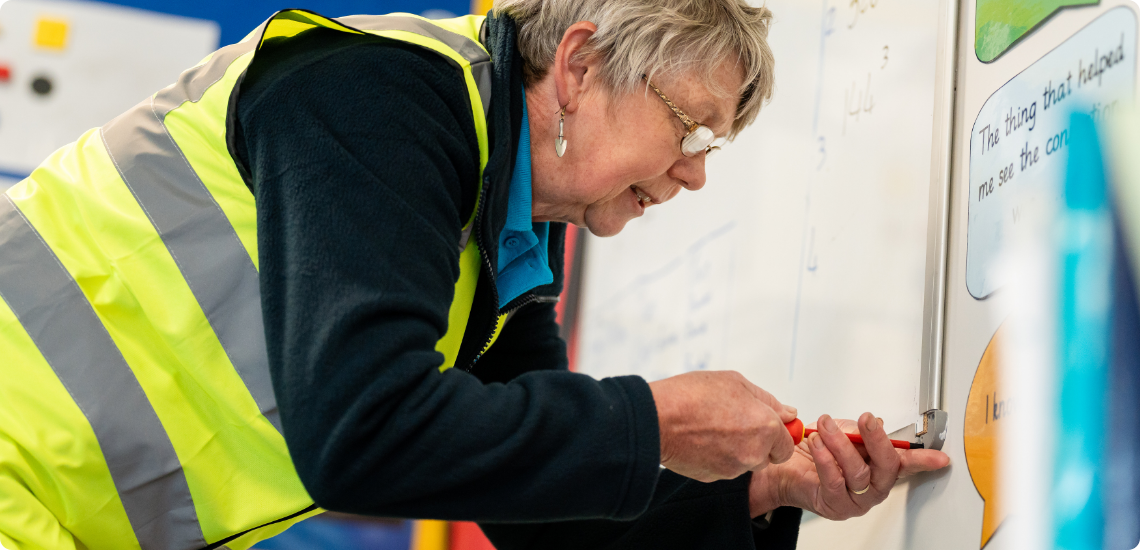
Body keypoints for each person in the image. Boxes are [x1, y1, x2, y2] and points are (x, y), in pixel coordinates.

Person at [0, 1, 950, 549]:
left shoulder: (506, 235)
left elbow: (552, 521)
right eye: (690, 127)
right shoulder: (376, 98)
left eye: (717, 146)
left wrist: (769, 491)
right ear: (579, 66)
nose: (697, 171)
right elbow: (361, 432)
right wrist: (658, 419)